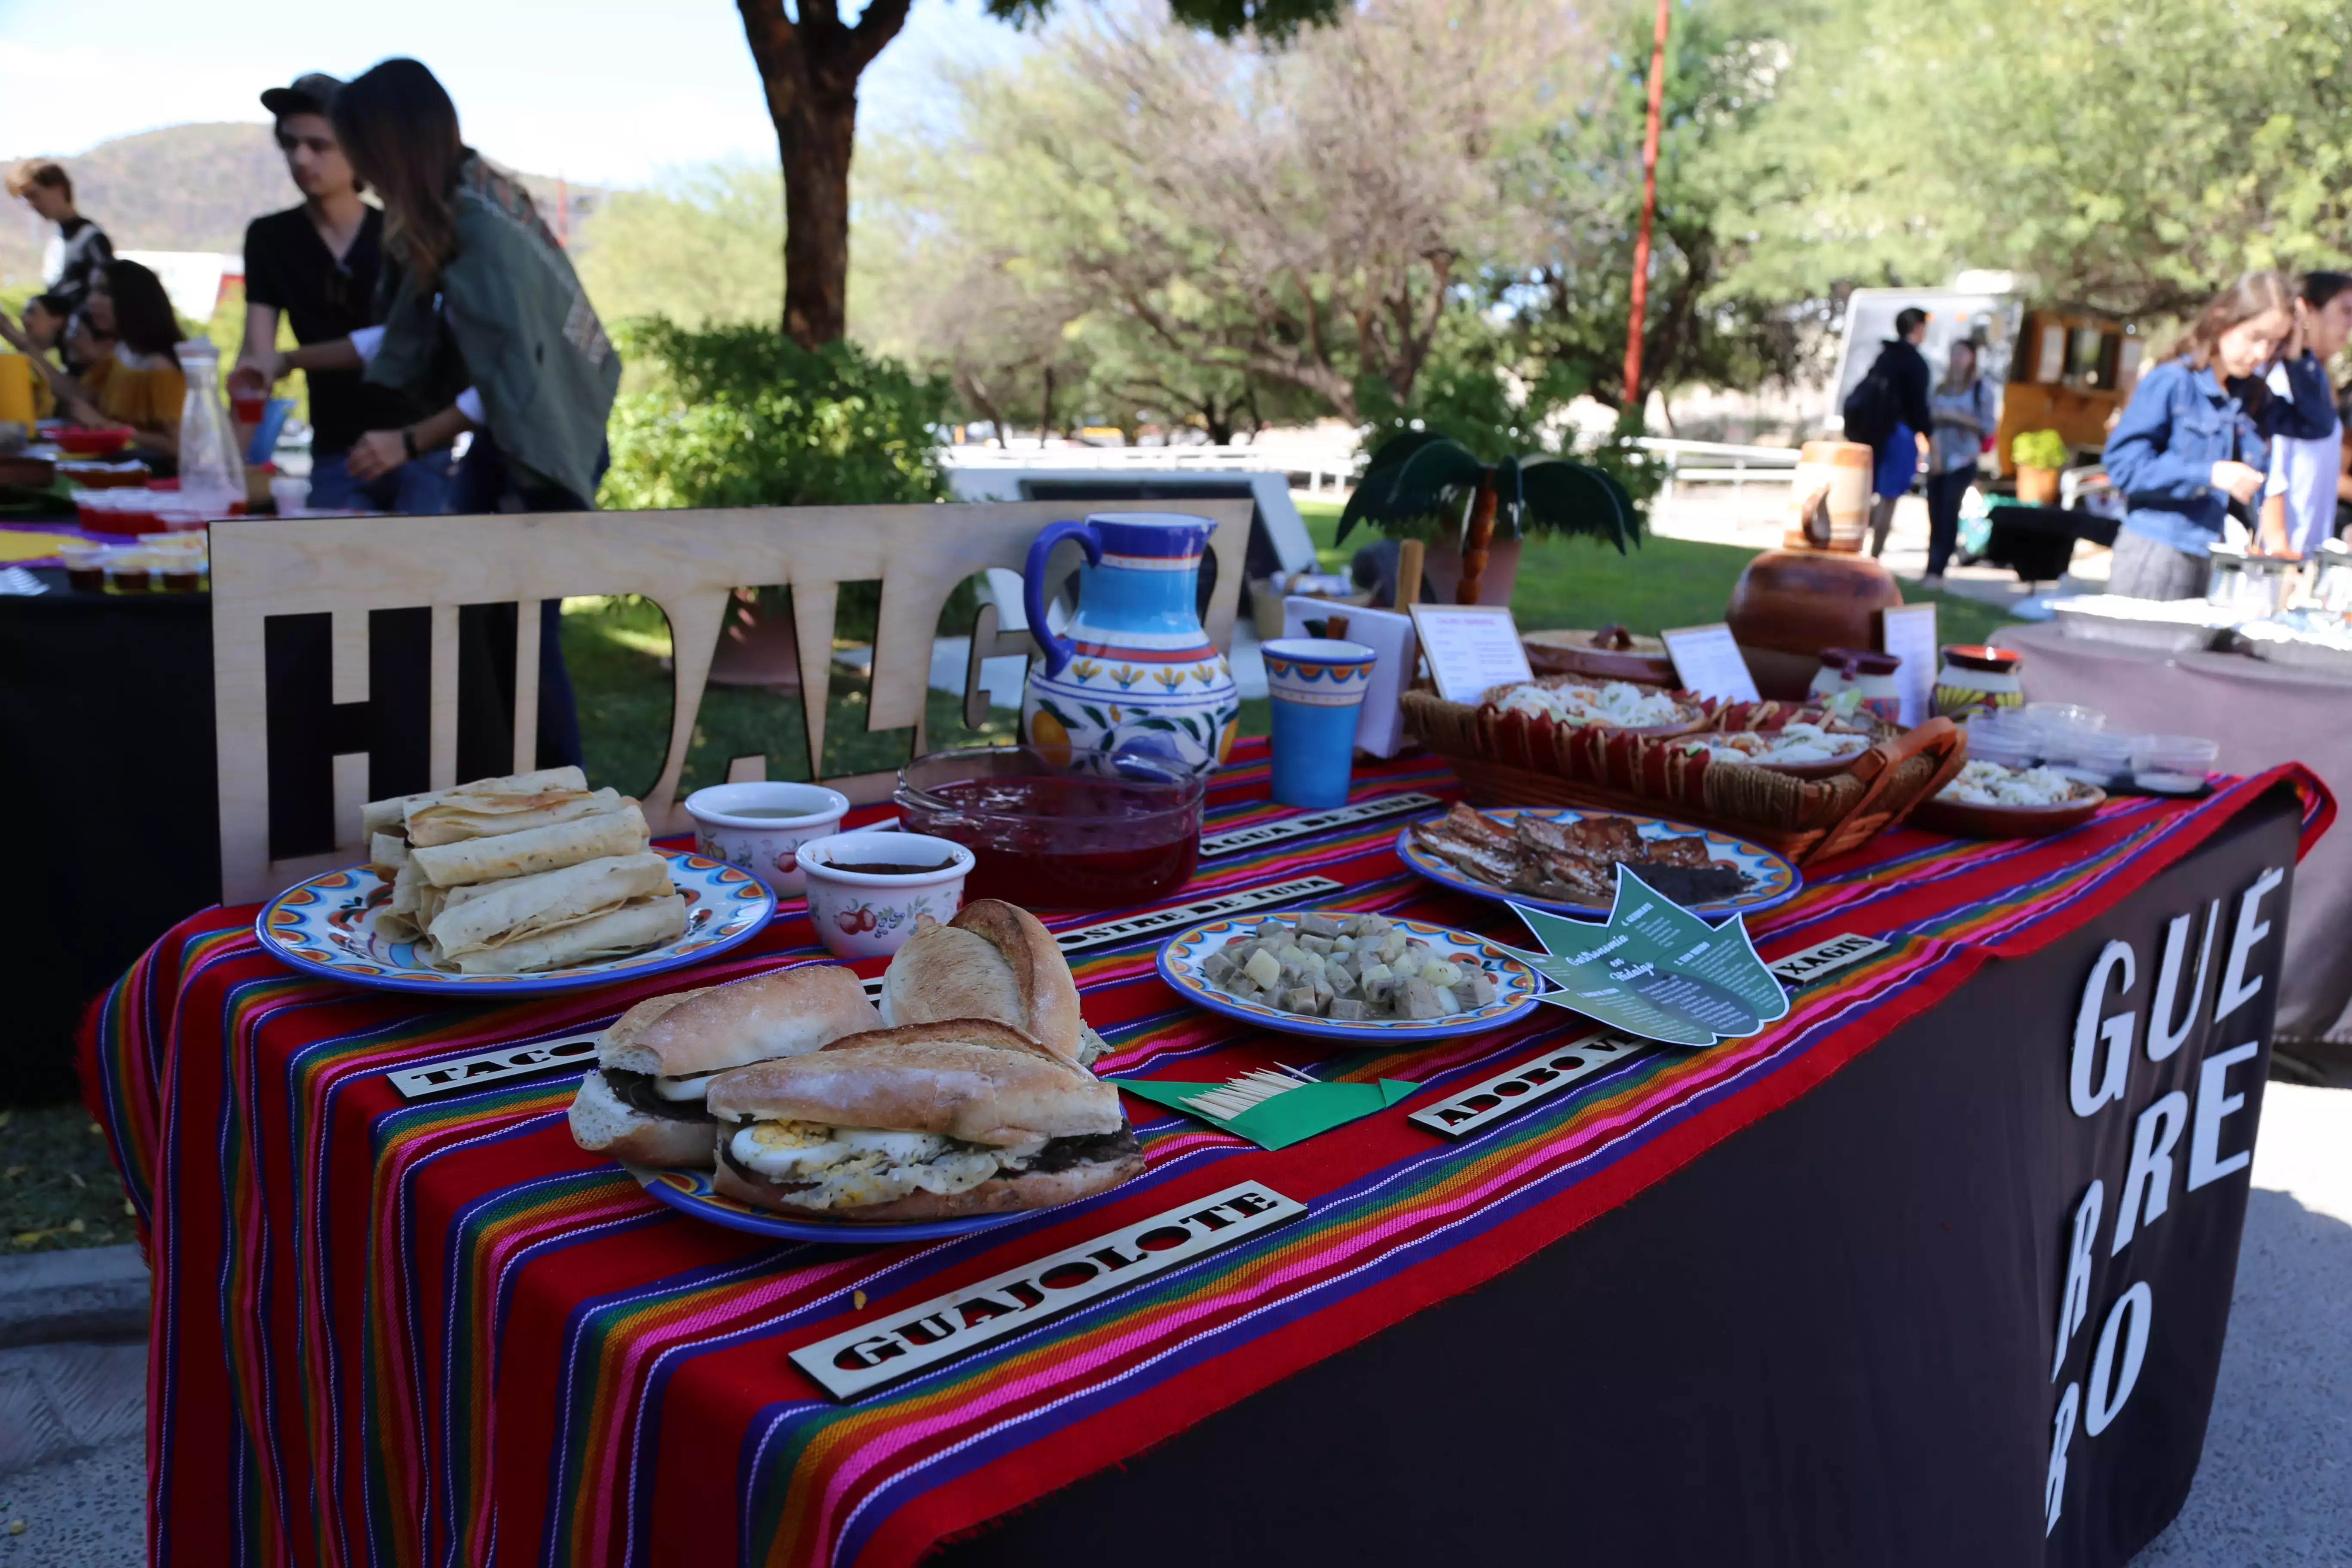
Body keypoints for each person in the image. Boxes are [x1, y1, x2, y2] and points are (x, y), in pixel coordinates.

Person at [245, 58, 621, 767]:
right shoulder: (457, 202)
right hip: (510, 438)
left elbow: (519, 372)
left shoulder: (480, 224)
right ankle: (494, 784)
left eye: (351, 144)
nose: (349, 163)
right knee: (476, 626)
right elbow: (405, 335)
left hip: (543, 444)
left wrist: (408, 440)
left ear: (388, 143)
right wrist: (287, 362)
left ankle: (558, 795)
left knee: (520, 634)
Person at [231, 73, 451, 514]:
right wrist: (231, 466)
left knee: (424, 575)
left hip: (419, 443)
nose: (302, 158)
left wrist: (289, 360)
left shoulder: (403, 231)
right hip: (336, 449)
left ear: (357, 148)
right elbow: (258, 357)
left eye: (320, 145)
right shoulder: (270, 237)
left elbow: (401, 340)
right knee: (336, 576)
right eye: (290, 144)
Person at [2101, 270, 2337, 600]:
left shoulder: (2253, 396)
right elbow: (2123, 466)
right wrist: (2211, 474)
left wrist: (2297, 356)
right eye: (2255, 337)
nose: (2261, 353)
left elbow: (2319, 424)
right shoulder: (2174, 381)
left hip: (2220, 557)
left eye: (2274, 342)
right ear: (2222, 320)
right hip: (2159, 554)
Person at [0, 259, 185, 448]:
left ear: (133, 300)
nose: (91, 301)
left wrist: (107, 427)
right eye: (93, 291)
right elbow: (77, 393)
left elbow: (177, 446)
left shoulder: (161, 367)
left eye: (104, 293)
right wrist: (18, 340)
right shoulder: (122, 356)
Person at [2256, 271, 2352, 559]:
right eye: (2345, 311)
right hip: (2280, 557)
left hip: (2309, 551)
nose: (2350, 324)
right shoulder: (2279, 380)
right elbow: (2271, 472)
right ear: (2307, 311)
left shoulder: (2317, 380)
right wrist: (2281, 551)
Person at [1845, 306, 1935, 558]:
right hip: (1898, 436)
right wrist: (1931, 440)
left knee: (1867, 495)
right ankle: (1874, 557)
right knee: (1889, 499)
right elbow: (1919, 409)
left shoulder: (1886, 356)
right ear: (1917, 328)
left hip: (1872, 435)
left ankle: (1854, 549)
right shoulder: (1914, 363)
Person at [1923, 338, 1997, 586]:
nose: (1957, 359)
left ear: (1972, 359)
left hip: (1963, 461)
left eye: (1962, 354)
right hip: (1937, 461)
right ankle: (1931, 568)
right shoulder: (1940, 388)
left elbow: (1989, 427)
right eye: (1954, 353)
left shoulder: (1980, 390)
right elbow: (1926, 419)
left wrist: (1957, 418)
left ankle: (1937, 570)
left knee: (1948, 512)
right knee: (1934, 514)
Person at [5, 160, 114, 316]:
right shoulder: (58, 241)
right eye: (26, 199)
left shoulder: (91, 239)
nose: (31, 205)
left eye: (34, 196)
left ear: (59, 190)